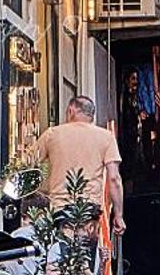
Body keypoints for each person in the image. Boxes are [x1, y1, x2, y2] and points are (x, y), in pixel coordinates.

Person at [35, 96, 122, 235]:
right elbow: (114, 178)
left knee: (61, 252)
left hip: (60, 208)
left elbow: (29, 165)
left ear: (71, 111)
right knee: (86, 253)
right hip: (89, 210)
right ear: (91, 116)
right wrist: (118, 215)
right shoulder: (106, 137)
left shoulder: (52, 135)